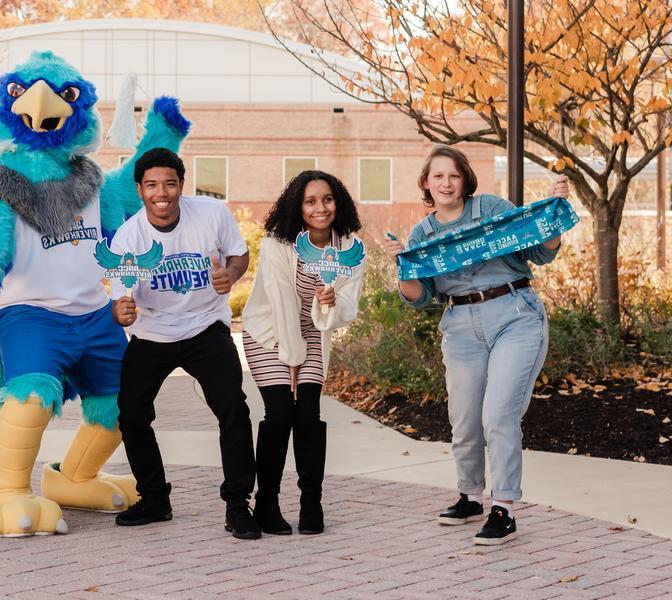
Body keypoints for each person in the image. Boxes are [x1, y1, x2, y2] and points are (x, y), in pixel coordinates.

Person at [384, 145, 569, 546]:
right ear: (426, 184)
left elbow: (540, 250)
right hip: (461, 326)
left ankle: (503, 507)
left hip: (514, 315)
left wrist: (553, 212)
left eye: (453, 175)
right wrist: (404, 266)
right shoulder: (422, 234)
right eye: (438, 176)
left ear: (464, 179)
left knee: (499, 413)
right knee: (465, 420)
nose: (446, 183)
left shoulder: (489, 207)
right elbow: (418, 297)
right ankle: (470, 497)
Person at [110, 148, 260, 540]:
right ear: (140, 190)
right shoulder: (129, 238)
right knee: (131, 413)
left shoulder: (211, 214)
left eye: (170, 184)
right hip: (154, 332)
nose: (163, 193)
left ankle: (237, 502)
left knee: (232, 407)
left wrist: (230, 275)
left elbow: (239, 257)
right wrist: (122, 313)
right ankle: (155, 498)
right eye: (153, 185)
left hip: (206, 325)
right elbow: (119, 303)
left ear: (181, 185)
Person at [241, 170, 365, 536]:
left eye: (326, 199)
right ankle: (267, 503)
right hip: (269, 332)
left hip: (314, 332)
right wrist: (293, 358)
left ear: (337, 202)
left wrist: (330, 303)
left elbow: (349, 307)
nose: (320, 207)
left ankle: (312, 502)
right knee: (280, 414)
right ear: (298, 206)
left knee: (308, 415)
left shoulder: (349, 248)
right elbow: (280, 302)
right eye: (310, 201)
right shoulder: (278, 244)